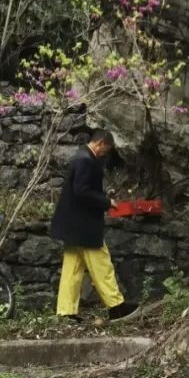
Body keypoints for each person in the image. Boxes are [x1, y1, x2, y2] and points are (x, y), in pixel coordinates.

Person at [49, 128, 136, 321]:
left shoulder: (82, 156)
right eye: (107, 149)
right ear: (101, 143)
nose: (106, 153)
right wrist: (106, 202)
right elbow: (82, 191)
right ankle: (116, 307)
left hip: (73, 225)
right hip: (84, 225)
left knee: (72, 268)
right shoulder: (85, 161)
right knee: (102, 264)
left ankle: (65, 312)